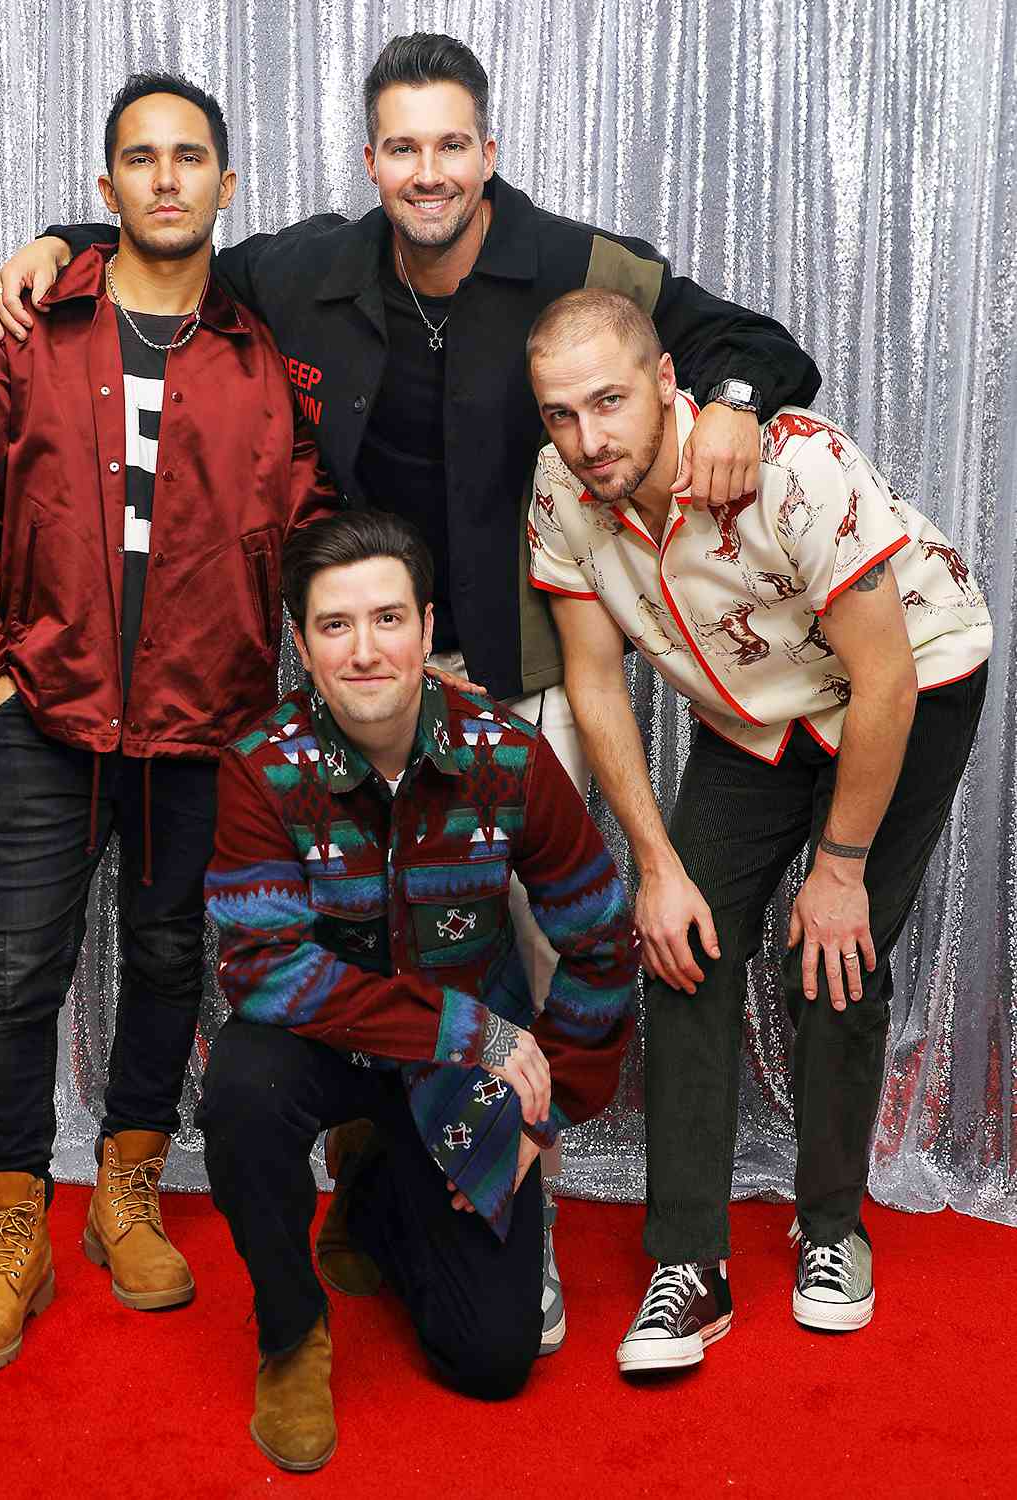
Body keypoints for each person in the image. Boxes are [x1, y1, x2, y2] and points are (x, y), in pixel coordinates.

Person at [0, 30, 820, 1349]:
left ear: (487, 152)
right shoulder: (312, 267)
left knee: (531, 969)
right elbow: (170, 239)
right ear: (371, 162)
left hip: (518, 680)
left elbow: (743, 340)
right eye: (401, 148)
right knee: (366, 944)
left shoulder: (580, 263)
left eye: (450, 145)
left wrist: (727, 402)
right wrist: (54, 239)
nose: (426, 172)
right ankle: (376, 1183)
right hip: (362, 676)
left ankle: (511, 1224)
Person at [0, 72, 336, 1374]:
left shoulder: (274, 360)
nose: (167, 178)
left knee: (167, 966)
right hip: (41, 718)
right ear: (106, 191)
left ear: (224, 184)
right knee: (13, 975)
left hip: (200, 732)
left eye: (190, 157)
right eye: (141, 160)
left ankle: (127, 1190)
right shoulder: (24, 326)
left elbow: (316, 539)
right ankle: (14, 1230)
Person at [525, 288, 991, 1372]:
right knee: (684, 941)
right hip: (753, 709)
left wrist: (840, 869)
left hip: (910, 680)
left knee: (832, 947)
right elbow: (595, 682)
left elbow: (879, 680)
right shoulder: (558, 487)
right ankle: (688, 1262)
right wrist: (654, 866)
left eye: (608, 402)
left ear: (663, 384)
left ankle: (833, 1228)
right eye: (560, 413)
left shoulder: (791, 464)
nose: (588, 438)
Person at [198, 509, 639, 1471]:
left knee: (489, 1359)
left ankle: (378, 1191)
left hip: (458, 1074)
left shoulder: (508, 757)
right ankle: (290, 1335)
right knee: (239, 1090)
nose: (365, 651)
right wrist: (458, 1026)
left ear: (429, 627)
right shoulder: (260, 767)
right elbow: (261, 966)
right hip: (329, 1046)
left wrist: (539, 1118)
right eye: (335, 626)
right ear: (304, 646)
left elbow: (603, 943)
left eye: (388, 619)